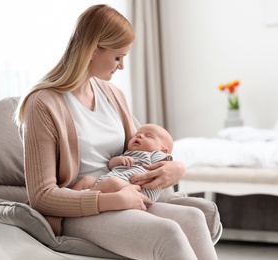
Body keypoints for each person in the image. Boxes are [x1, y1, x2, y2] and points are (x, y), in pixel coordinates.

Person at [15, 4, 219, 260]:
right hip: (79, 208)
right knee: (167, 233)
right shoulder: (43, 104)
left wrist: (176, 168)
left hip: (124, 196)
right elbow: (41, 197)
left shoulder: (113, 95)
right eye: (117, 57)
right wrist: (111, 201)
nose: (121, 66)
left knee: (193, 218)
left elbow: (144, 151)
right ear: (92, 50)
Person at [73, 123, 174, 203]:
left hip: (137, 191)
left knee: (112, 182)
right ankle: (74, 198)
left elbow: (163, 170)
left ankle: (87, 197)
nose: (139, 135)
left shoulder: (156, 155)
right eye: (137, 134)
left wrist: (146, 176)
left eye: (149, 136)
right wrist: (117, 161)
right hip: (110, 182)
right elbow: (110, 165)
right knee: (86, 180)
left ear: (163, 150)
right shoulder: (128, 153)